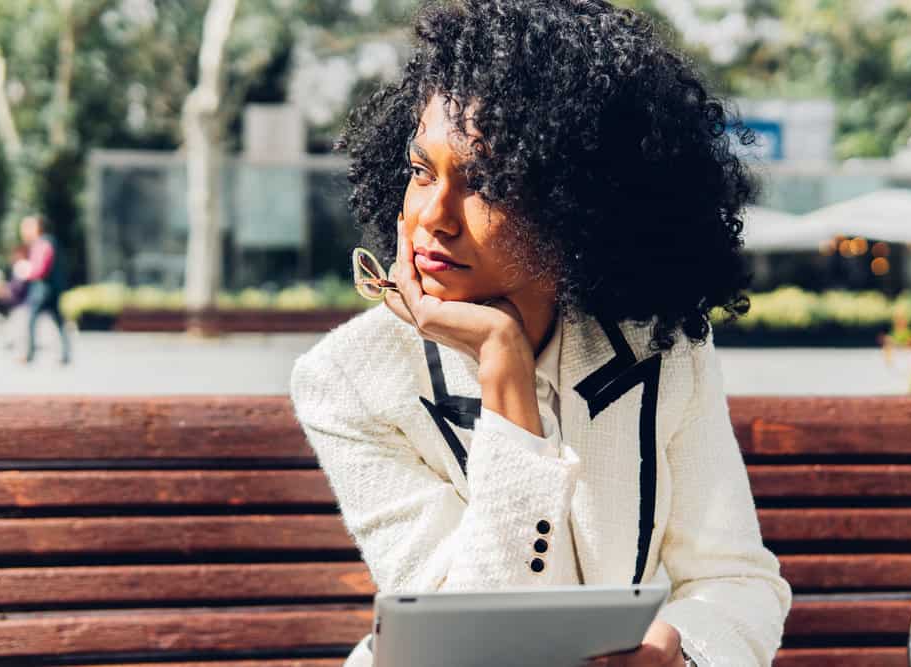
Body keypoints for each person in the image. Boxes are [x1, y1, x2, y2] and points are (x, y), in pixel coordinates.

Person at [290, 2, 791, 666]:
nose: (432, 217)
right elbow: (463, 640)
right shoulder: (349, 380)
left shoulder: (664, 348)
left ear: (577, 206)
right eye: (420, 171)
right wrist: (504, 372)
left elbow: (737, 582)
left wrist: (681, 649)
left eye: (486, 184)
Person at [18, 214, 70, 364]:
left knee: (31, 320)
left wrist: (27, 272)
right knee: (58, 321)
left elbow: (40, 268)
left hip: (42, 288)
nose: (25, 231)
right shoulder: (50, 241)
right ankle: (65, 355)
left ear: (38, 228)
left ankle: (29, 354)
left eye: (29, 227)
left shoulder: (41, 243)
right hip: (54, 288)